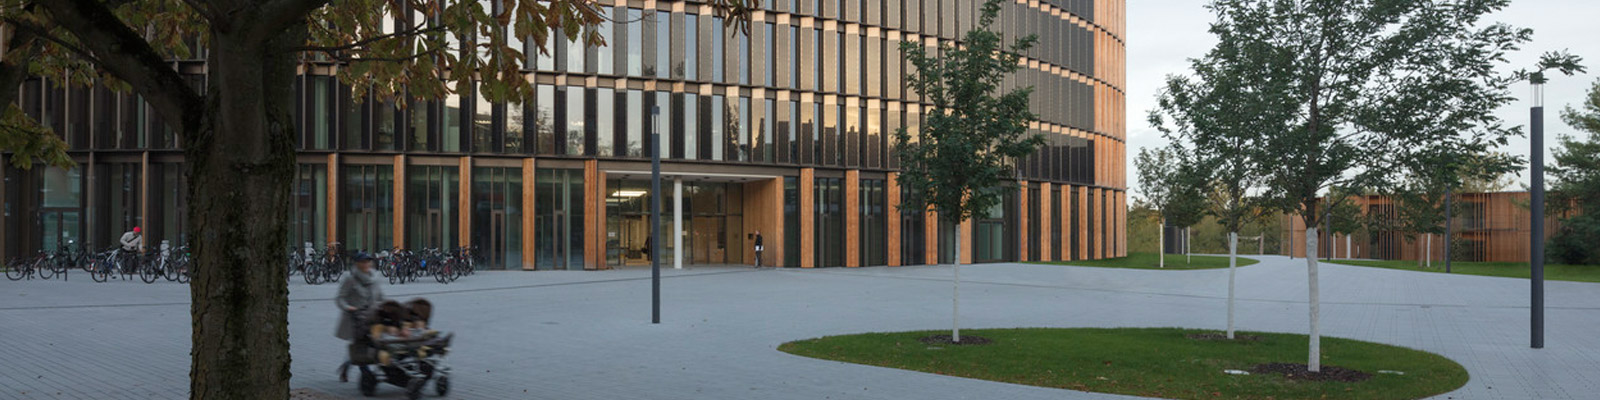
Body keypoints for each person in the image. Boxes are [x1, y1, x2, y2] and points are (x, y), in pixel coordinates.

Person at [335, 252, 384, 382]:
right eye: (363, 262)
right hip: (356, 318)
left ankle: (346, 365)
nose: (366, 264)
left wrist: (386, 307)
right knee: (360, 345)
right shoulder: (350, 279)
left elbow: (380, 297)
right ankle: (365, 373)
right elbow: (340, 298)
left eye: (368, 261)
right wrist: (348, 307)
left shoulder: (375, 277)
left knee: (371, 343)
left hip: (373, 317)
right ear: (357, 264)